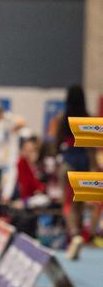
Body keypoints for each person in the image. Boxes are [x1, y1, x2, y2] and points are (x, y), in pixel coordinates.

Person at [56, 85, 96, 260]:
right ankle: (80, 233)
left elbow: (56, 144)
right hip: (84, 161)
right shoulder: (88, 119)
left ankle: (74, 235)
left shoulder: (62, 119)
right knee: (79, 201)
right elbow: (92, 148)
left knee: (67, 202)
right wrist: (94, 167)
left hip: (68, 162)